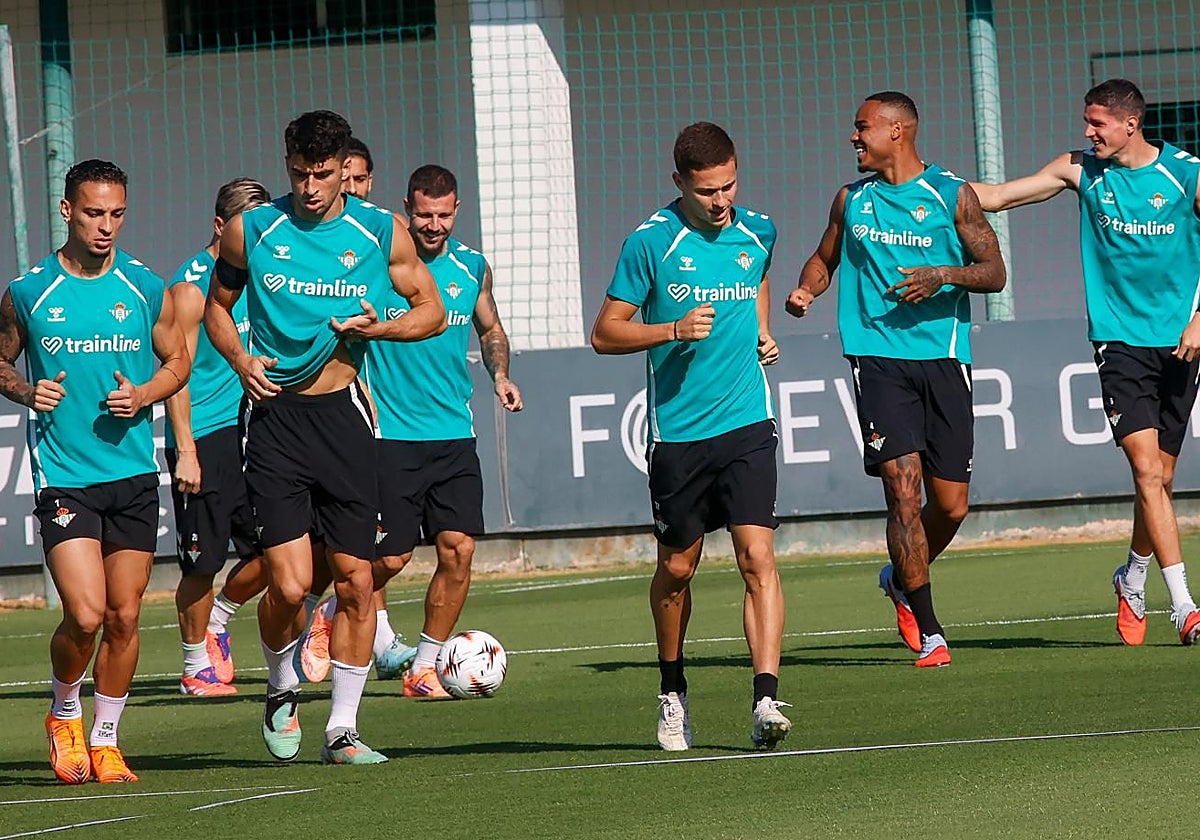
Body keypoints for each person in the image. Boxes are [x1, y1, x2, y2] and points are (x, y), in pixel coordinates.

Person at [204, 110, 445, 766]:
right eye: (299, 174)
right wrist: (240, 361)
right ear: (287, 166)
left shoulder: (378, 231)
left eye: (323, 174)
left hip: (345, 418)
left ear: (346, 170)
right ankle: (281, 687)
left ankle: (342, 729)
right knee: (288, 586)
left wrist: (381, 329)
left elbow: (432, 310)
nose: (310, 187)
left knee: (356, 582)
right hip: (276, 419)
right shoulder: (251, 230)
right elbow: (216, 311)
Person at [970, 79, 1200, 646]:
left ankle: (1133, 575)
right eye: (1086, 121)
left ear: (1130, 124)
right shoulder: (1080, 171)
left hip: (1180, 341)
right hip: (1117, 340)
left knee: (1162, 479)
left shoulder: (1186, 174)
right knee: (1148, 473)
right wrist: (924, 186)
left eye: (1097, 123)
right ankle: (1186, 608)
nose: (1087, 132)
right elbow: (998, 196)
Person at [786, 91, 1006, 668]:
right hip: (877, 361)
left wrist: (942, 274)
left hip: (944, 358)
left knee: (951, 506)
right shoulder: (850, 200)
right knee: (902, 491)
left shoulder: (950, 195)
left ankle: (900, 577)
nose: (854, 138)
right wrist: (808, 288)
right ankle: (930, 629)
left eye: (862, 128)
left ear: (897, 132)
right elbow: (823, 257)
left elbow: (994, 272)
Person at [591, 122, 791, 750]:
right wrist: (672, 330)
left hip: (748, 424)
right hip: (678, 436)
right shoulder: (648, 243)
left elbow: (755, 275)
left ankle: (765, 698)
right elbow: (605, 333)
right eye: (707, 191)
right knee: (678, 569)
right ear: (680, 182)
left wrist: (759, 328)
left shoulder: (757, 230)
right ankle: (672, 689)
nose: (721, 200)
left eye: (729, 185)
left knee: (758, 558)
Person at [299, 164, 523, 696]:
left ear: (457, 211)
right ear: (407, 207)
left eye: (443, 215)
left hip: (452, 436)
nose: (433, 225)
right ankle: (332, 610)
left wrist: (501, 375)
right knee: (393, 557)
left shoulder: (472, 268)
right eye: (424, 214)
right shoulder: (381, 264)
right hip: (387, 436)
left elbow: (490, 329)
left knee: (459, 549)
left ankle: (423, 666)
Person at [0, 159, 190, 783]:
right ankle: (64, 712)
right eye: (92, 213)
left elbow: (177, 362)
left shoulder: (144, 287)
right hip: (65, 477)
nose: (106, 226)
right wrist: (27, 393)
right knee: (85, 614)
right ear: (66, 211)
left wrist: (143, 395)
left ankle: (106, 737)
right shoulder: (29, 292)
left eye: (116, 214)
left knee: (126, 616)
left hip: (132, 476)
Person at [165, 178, 271, 697]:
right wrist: (185, 450)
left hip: (257, 435)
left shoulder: (268, 275)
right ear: (218, 226)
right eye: (246, 227)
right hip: (203, 438)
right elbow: (176, 373)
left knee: (279, 553)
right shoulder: (189, 287)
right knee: (203, 562)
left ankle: (218, 622)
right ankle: (193, 664)